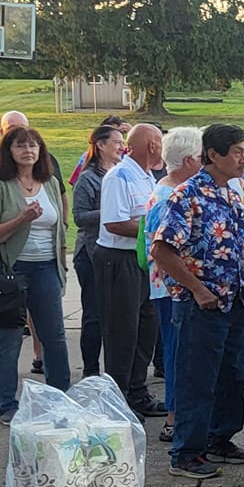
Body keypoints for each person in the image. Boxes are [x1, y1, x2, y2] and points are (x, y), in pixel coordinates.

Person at [149, 124, 244, 479]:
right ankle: (187, 453)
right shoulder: (188, 195)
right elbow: (162, 250)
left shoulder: (232, 193)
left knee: (233, 374)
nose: (243, 158)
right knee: (197, 378)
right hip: (201, 303)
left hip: (234, 298)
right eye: (237, 151)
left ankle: (219, 438)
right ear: (213, 155)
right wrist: (197, 288)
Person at [0, 125, 71, 421]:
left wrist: (61, 265)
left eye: (34, 145)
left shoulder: (47, 182)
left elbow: (59, 227)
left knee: (54, 336)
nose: (28, 150)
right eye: (21, 145)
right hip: (10, 270)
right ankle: (7, 405)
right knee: (8, 338)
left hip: (46, 267)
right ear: (8, 151)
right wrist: (22, 218)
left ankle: (60, 398)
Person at [93, 121, 165, 416]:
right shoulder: (119, 176)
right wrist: (156, 230)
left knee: (146, 327)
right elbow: (115, 222)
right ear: (151, 146)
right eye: (160, 142)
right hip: (118, 260)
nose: (162, 147)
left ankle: (138, 391)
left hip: (141, 261)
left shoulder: (147, 177)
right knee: (122, 332)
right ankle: (117, 398)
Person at [145, 127, 202, 445]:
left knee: (179, 350)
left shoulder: (168, 188)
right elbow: (163, 249)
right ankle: (173, 418)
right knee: (178, 352)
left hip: (171, 286)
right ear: (190, 160)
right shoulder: (169, 196)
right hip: (172, 288)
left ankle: (178, 414)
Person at [70, 122, 125, 378]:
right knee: (94, 313)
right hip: (90, 253)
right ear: (100, 145)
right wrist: (110, 213)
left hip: (114, 254)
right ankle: (90, 371)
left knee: (116, 314)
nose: (121, 146)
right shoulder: (88, 178)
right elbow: (79, 217)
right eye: (116, 142)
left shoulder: (121, 172)